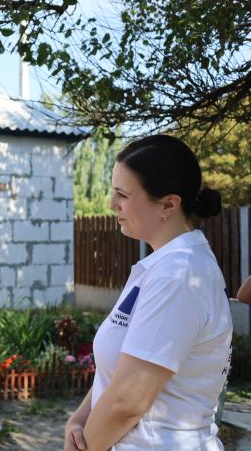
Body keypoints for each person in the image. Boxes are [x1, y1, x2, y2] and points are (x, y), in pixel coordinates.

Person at [64, 135, 232, 451]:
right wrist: (80, 419)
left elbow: (129, 400)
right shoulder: (161, 267)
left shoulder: (178, 275)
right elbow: (119, 366)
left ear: (168, 204)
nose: (112, 204)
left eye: (122, 194)